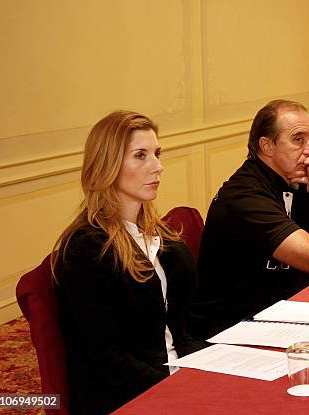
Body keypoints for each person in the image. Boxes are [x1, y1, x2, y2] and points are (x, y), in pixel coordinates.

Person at [52, 111, 205, 415]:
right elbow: (106, 359)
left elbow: (179, 328)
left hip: (175, 372)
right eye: (140, 156)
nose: (157, 166)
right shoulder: (86, 249)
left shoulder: (159, 236)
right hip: (129, 396)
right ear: (107, 166)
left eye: (157, 154)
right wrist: (183, 388)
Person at [192, 100, 309, 339]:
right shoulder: (243, 196)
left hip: (286, 312)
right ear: (267, 146)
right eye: (298, 140)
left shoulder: (297, 180)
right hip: (234, 330)